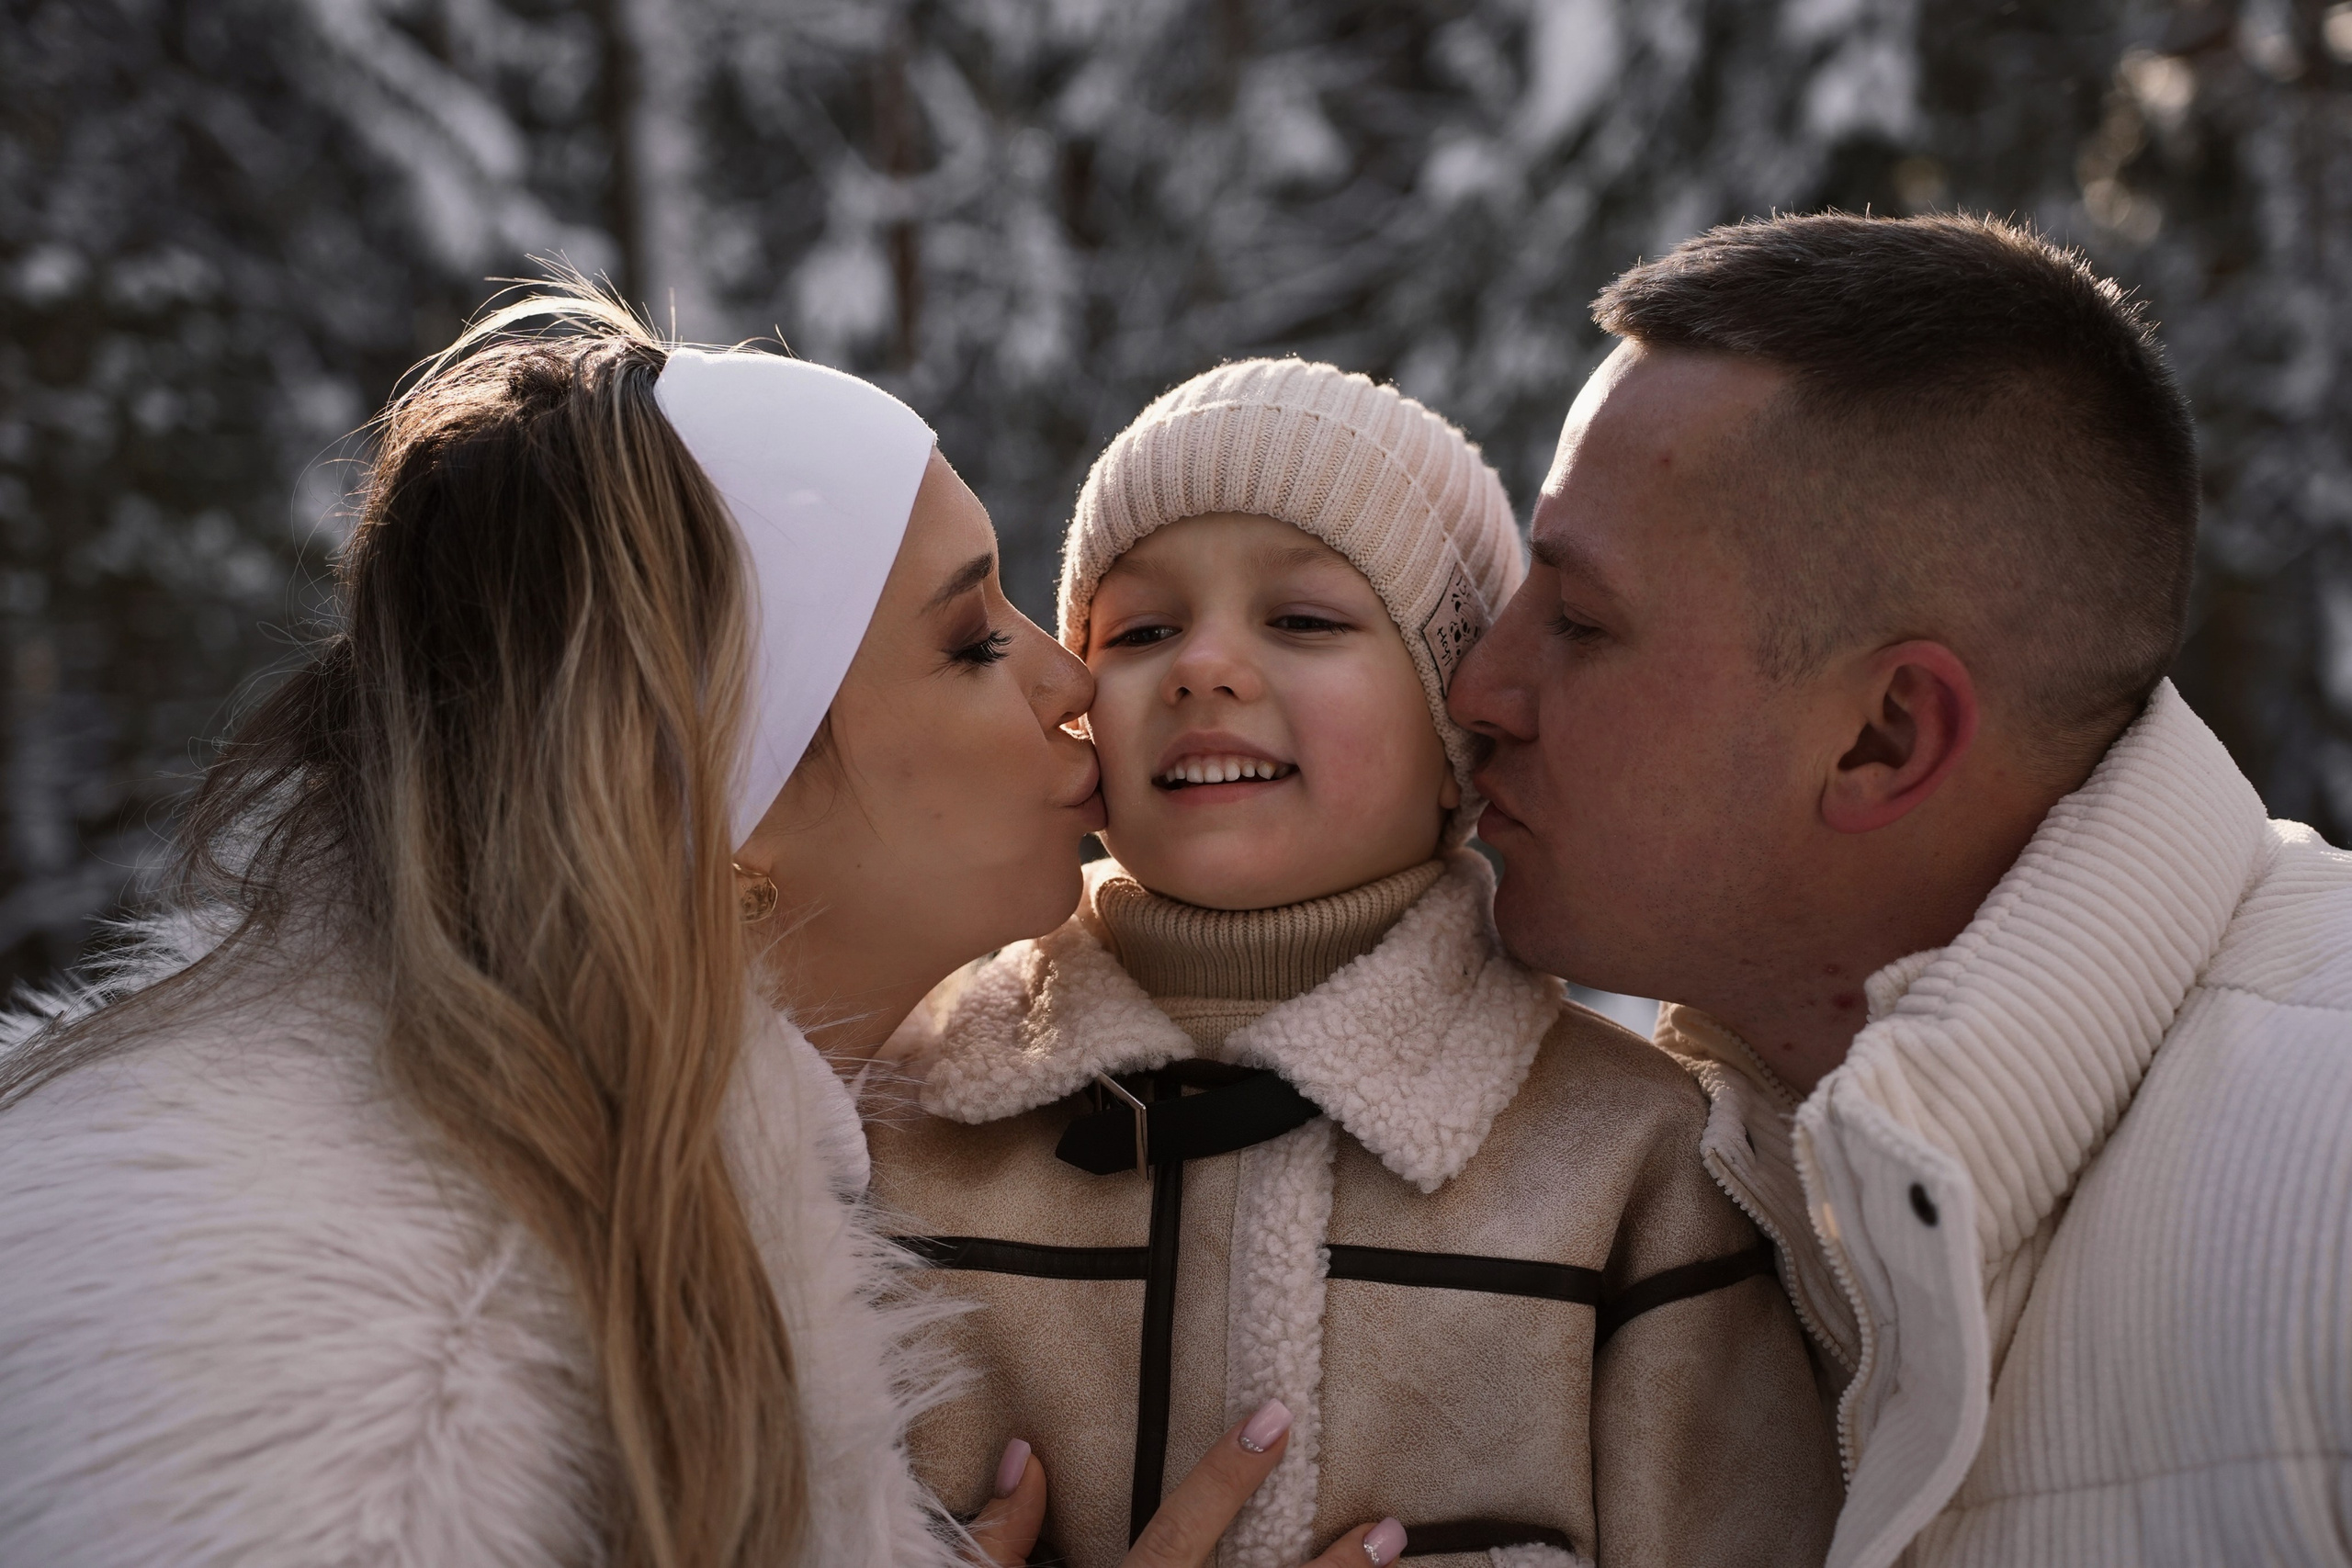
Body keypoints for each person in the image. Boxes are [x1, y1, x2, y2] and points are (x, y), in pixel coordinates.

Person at [0, 295, 1396, 1568]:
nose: (1071, 677)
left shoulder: (611, 1169)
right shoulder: (375, 1353)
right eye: (972, 643)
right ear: (716, 792)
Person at [1449, 211, 2352, 1568]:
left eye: (1579, 623)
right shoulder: (1677, 1184)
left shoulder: (2328, 1184)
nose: (1481, 691)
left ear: (1883, 739)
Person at [869, 358, 1843, 1567]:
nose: (1201, 667)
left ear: (1457, 732)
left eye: (1305, 620)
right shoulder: (898, 1127)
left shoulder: (1632, 1173)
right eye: (1142, 629)